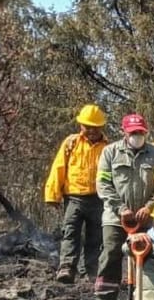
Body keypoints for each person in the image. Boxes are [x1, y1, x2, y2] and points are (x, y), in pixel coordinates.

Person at [95, 113, 154, 300]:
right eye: (133, 132)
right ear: (124, 132)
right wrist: (121, 209)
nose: (137, 136)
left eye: (140, 132)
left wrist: (149, 207)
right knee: (111, 252)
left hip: (146, 220)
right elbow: (103, 184)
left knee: (148, 258)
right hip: (115, 217)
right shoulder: (110, 152)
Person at [45, 104, 108, 283]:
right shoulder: (71, 143)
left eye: (95, 127)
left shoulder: (108, 147)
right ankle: (67, 268)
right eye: (87, 126)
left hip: (98, 199)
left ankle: (91, 271)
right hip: (73, 197)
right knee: (70, 232)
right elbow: (58, 168)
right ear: (81, 125)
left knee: (95, 236)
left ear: (101, 127)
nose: (91, 130)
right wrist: (52, 195)